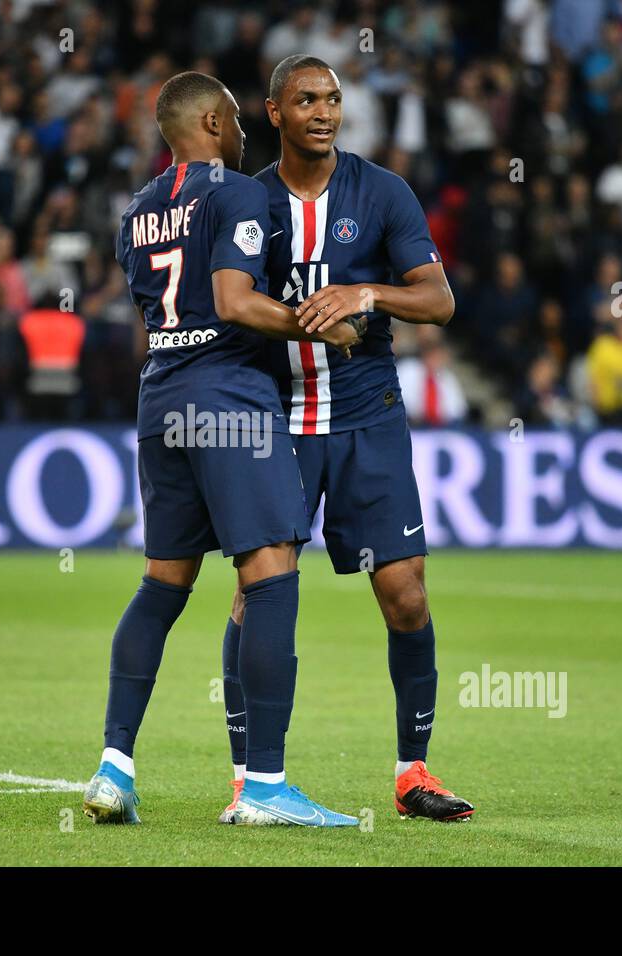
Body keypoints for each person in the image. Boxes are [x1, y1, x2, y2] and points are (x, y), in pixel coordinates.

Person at [82, 70, 362, 828]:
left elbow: (164, 307)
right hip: (229, 396)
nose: (244, 133)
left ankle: (114, 769)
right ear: (209, 122)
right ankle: (264, 786)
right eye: (235, 119)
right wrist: (319, 322)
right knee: (271, 575)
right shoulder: (236, 192)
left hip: (161, 396)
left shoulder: (136, 210)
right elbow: (235, 303)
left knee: (162, 585)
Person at [216, 55, 473, 825]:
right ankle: (249, 778)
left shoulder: (383, 191)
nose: (324, 112)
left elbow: (439, 300)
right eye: (306, 100)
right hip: (278, 420)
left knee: (406, 594)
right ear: (275, 113)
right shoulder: (247, 202)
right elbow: (228, 304)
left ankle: (413, 772)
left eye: (332, 99)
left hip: (368, 418)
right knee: (256, 594)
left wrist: (368, 290)